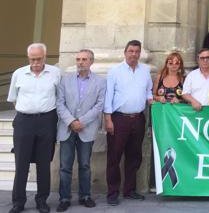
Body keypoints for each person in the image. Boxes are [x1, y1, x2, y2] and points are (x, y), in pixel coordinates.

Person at [8, 43, 61, 213]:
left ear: (45, 57)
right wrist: (28, 111)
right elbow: (14, 98)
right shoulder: (19, 73)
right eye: (32, 59)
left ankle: (42, 200)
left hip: (47, 120)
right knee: (21, 163)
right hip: (24, 121)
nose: (36, 62)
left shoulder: (55, 73)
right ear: (28, 58)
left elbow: (60, 98)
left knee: (44, 163)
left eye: (39, 59)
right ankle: (18, 202)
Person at [55, 49, 106, 212]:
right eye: (78, 59)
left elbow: (99, 105)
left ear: (91, 61)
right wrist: (71, 121)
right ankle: (64, 198)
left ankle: (85, 196)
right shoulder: (65, 80)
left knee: (85, 164)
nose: (80, 62)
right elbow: (59, 103)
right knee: (65, 166)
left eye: (84, 59)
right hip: (67, 128)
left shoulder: (100, 82)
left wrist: (81, 121)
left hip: (86, 129)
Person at [104, 40, 153, 206]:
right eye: (131, 51)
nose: (134, 54)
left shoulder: (145, 71)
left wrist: (154, 100)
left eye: (137, 51)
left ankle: (130, 190)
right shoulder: (115, 71)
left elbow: (148, 92)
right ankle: (112, 192)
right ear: (125, 52)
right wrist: (108, 119)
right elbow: (108, 96)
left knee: (134, 156)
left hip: (138, 119)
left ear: (139, 54)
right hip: (119, 119)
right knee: (114, 156)